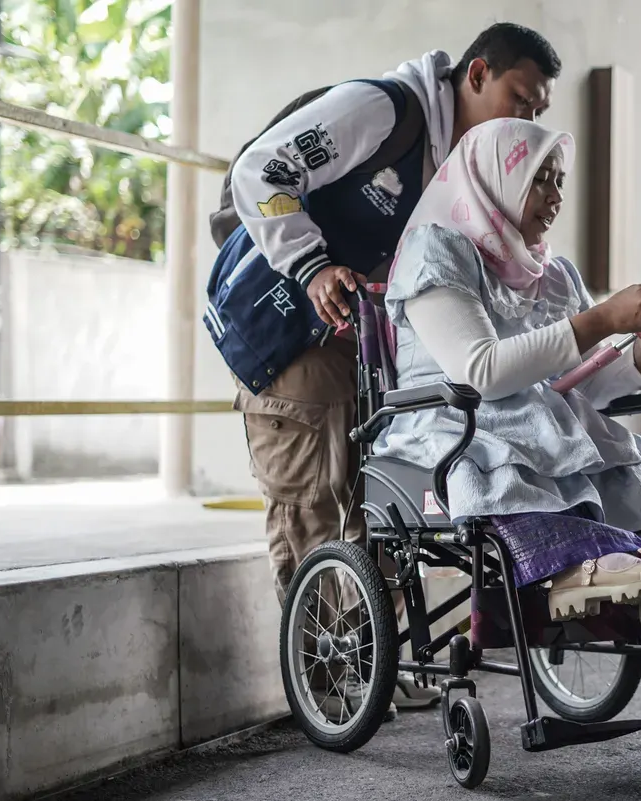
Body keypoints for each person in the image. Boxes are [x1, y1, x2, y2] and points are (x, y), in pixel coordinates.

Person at [210, 23, 564, 715]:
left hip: (361, 338)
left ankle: (370, 662)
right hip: (287, 328)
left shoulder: (460, 165)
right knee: (315, 496)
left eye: (539, 114)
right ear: (477, 74)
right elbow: (261, 170)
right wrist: (310, 264)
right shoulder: (383, 110)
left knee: (381, 508)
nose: (526, 123)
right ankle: (327, 687)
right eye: (520, 100)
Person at [373, 118, 641, 632]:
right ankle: (595, 564)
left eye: (559, 180)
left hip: (539, 421)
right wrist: (601, 318)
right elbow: (479, 372)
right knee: (521, 456)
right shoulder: (438, 250)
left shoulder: (554, 273)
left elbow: (590, 384)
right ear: (493, 179)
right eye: (539, 178)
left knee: (609, 451)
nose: (555, 195)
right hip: (453, 421)